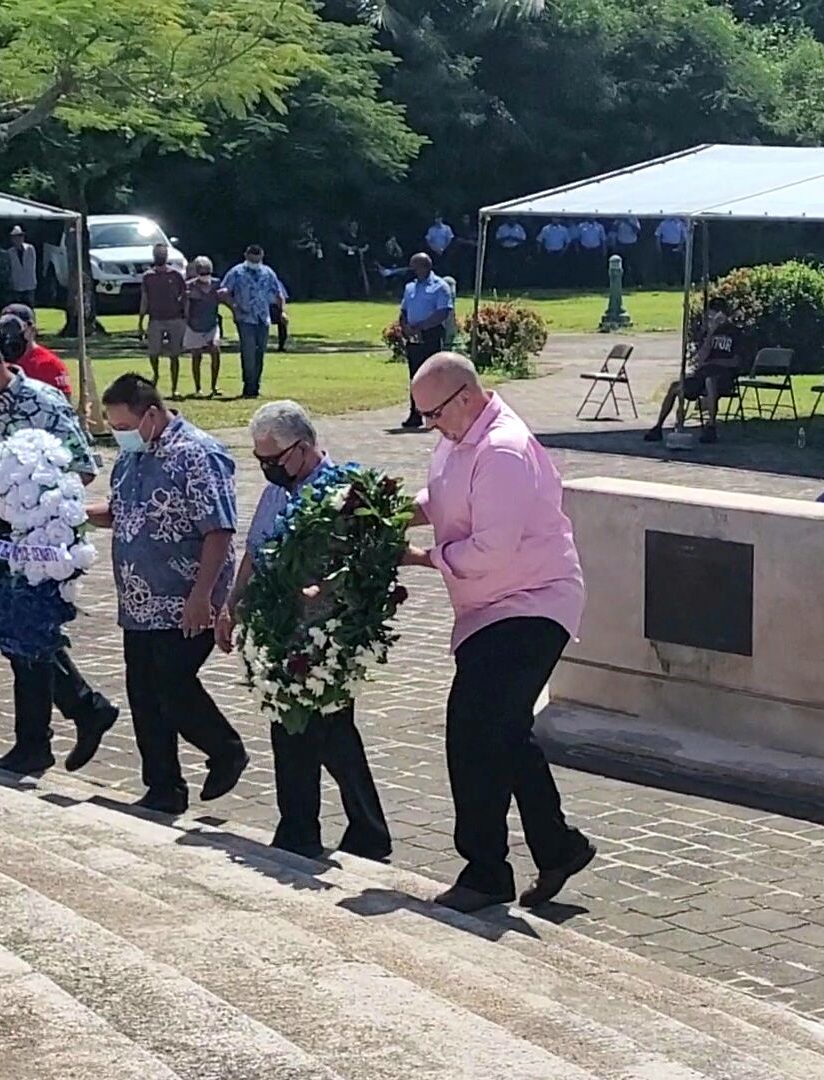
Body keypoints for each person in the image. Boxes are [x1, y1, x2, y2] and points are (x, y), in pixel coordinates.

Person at [402, 351, 594, 915]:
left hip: (531, 601)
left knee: (473, 730)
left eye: (432, 414)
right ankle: (558, 846)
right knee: (503, 730)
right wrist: (394, 512)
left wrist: (416, 557)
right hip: (491, 607)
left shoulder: (503, 449)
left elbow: (490, 550)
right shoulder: (460, 437)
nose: (429, 426)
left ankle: (485, 872)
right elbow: (442, 498)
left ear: (464, 396)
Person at [216, 400, 391, 861]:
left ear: (304, 446)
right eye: (260, 461)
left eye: (272, 459)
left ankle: (326, 831)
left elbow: (366, 563)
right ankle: (324, 828)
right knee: (300, 729)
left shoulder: (343, 493)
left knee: (321, 730)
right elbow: (254, 550)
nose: (267, 468)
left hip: (325, 635)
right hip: (279, 629)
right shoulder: (280, 487)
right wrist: (232, 605)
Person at [0, 333, 118, 774]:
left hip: (36, 534)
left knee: (31, 632)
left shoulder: (43, 404)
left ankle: (34, 744)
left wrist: (28, 496)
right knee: (7, 630)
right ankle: (85, 707)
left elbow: (83, 468)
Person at [87, 372, 248, 814]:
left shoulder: (197, 454)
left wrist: (202, 595)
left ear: (151, 414)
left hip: (185, 597)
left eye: (123, 426)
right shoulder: (132, 458)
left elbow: (218, 529)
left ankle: (225, 749)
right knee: (143, 690)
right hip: (139, 599)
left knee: (172, 684)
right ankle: (163, 787)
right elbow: (121, 512)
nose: (118, 435)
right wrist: (72, 514)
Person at [645, 296, 739, 445]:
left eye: (714, 315)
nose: (711, 319)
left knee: (710, 381)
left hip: (723, 377)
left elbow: (736, 362)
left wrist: (714, 361)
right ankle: (658, 427)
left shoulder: (735, 333)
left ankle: (711, 426)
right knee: (676, 386)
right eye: (709, 316)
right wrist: (711, 332)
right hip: (702, 376)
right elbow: (700, 359)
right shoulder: (708, 333)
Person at [220, 245, 286, 399]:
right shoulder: (236, 272)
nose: (255, 262)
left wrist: (282, 311)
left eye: (258, 259)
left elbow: (278, 293)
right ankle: (248, 385)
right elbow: (224, 292)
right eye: (252, 258)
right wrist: (234, 307)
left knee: (260, 352)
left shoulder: (267, 272)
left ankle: (256, 384)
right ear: (246, 256)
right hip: (245, 319)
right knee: (248, 352)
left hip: (263, 318)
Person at [398, 252, 452, 428]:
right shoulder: (410, 288)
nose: (414, 271)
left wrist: (422, 326)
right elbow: (404, 310)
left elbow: (443, 312)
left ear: (426, 266)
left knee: (433, 376)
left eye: (416, 267)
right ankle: (415, 413)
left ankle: (436, 413)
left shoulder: (440, 287)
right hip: (413, 335)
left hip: (431, 334)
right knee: (415, 375)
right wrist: (405, 326)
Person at [138, 241, 187, 395]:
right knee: (153, 353)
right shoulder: (148, 277)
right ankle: (156, 374)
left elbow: (184, 296)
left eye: (163, 253)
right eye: (158, 254)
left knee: (175, 355)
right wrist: (141, 320)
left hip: (175, 318)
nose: (161, 256)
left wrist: (185, 315)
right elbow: (144, 298)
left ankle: (174, 387)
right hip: (155, 319)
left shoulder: (176, 275)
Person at [0, 309, 72, 398]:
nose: (9, 334)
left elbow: (63, 403)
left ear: (31, 330)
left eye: (14, 328)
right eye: (4, 328)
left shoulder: (50, 364)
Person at [183, 257, 223, 397]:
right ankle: (198, 388)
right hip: (194, 325)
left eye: (207, 272)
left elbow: (225, 298)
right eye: (202, 272)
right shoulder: (190, 286)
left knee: (215, 350)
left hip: (211, 323)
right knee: (196, 356)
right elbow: (184, 305)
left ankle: (214, 386)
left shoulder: (217, 285)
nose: (205, 275)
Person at [336, 220, 370, 299]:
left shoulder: (360, 236)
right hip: (348, 261)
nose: (354, 227)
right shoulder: (345, 236)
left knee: (359, 277)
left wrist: (362, 250)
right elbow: (340, 244)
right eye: (353, 226)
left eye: (356, 226)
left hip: (359, 261)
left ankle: (360, 293)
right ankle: (348, 294)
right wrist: (349, 248)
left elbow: (367, 245)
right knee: (349, 277)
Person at [7, 225, 37, 306]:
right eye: (16, 237)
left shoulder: (30, 248)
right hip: (17, 285)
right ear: (12, 239)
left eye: (20, 236)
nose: (19, 239)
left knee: (29, 308)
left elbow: (33, 265)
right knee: (18, 308)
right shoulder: (9, 252)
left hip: (29, 284)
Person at [493, 219, 527, 288]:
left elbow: (523, 240)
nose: (512, 220)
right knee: (505, 268)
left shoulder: (519, 228)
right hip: (504, 250)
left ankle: (515, 284)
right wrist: (506, 238)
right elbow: (497, 239)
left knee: (515, 267)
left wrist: (514, 238)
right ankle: (504, 284)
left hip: (516, 250)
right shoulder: (502, 228)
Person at [536, 220, 572, 285]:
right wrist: (540, 251)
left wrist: (564, 251)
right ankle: (548, 284)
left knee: (558, 270)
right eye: (554, 218)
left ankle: (558, 284)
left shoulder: (563, 229)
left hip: (559, 252)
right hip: (549, 252)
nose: (555, 220)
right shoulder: (546, 229)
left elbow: (568, 241)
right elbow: (539, 240)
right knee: (548, 269)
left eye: (557, 218)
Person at [656, 217, 689, 286]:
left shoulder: (680, 223)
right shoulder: (663, 223)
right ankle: (670, 282)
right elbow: (658, 235)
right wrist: (658, 246)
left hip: (677, 245)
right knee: (668, 264)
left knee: (680, 264)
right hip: (666, 246)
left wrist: (681, 245)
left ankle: (683, 281)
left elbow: (683, 235)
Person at [575, 219, 607, 284]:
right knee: (584, 267)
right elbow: (577, 238)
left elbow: (603, 239)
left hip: (596, 249)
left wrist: (604, 250)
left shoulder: (599, 226)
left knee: (596, 267)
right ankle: (584, 283)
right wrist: (577, 248)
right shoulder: (581, 226)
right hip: (584, 249)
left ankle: (596, 283)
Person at [270, 279, 290, 352]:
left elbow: (282, 297)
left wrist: (282, 311)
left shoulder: (277, 283)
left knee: (283, 323)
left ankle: (281, 345)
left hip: (275, 306)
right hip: (262, 306)